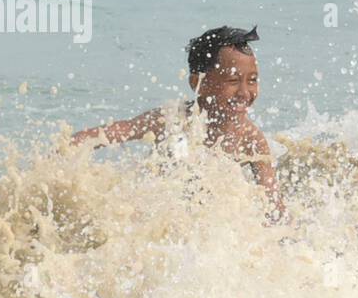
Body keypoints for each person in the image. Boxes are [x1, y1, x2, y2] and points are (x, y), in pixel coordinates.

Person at [70, 25, 285, 218]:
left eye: (252, 80)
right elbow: (120, 130)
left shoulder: (250, 139)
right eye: (233, 81)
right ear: (197, 83)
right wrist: (71, 145)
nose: (245, 92)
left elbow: (273, 202)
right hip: (161, 213)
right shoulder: (173, 119)